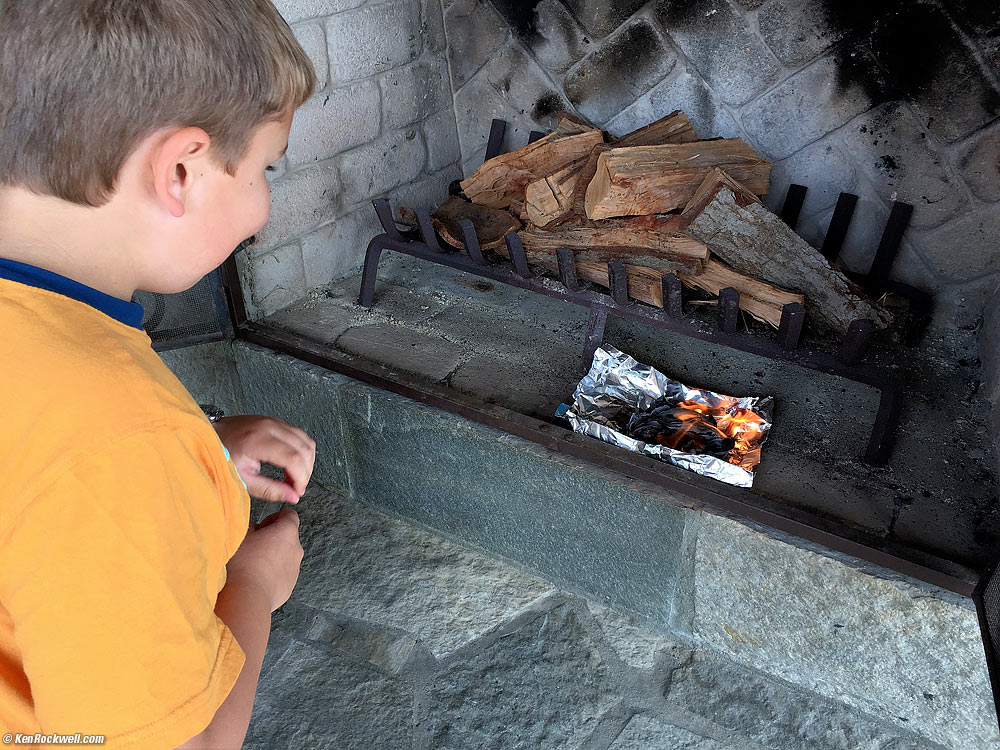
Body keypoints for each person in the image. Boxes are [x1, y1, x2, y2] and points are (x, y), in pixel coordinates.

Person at [0, 1, 320, 746]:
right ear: (180, 169)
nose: (264, 208)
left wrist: (203, 448)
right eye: (265, 168)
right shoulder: (120, 440)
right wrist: (251, 585)